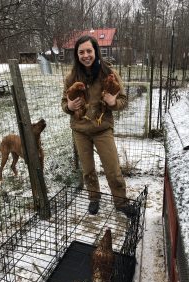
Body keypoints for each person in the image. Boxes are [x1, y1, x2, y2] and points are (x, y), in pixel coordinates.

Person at [61, 35, 136, 218]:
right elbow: (64, 102)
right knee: (88, 170)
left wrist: (113, 102)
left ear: (95, 51)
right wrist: (69, 107)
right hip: (80, 130)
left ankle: (120, 202)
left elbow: (123, 100)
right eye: (81, 52)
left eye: (89, 51)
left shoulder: (108, 73)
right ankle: (94, 198)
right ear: (77, 55)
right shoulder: (71, 77)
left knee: (113, 169)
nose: (85, 55)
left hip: (103, 129)